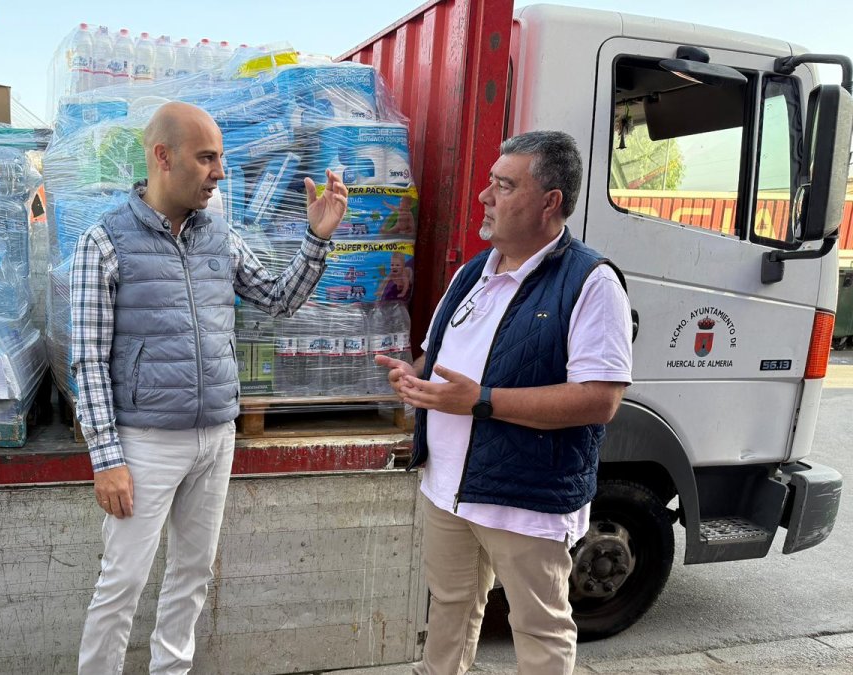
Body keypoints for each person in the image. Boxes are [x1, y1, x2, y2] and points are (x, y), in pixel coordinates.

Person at [72, 101, 347, 673]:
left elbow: (276, 298)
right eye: (206, 158)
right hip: (145, 442)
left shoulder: (218, 235)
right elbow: (89, 360)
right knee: (122, 584)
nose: (219, 171)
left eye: (220, 157)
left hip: (216, 435)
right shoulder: (103, 244)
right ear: (162, 157)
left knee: (192, 575)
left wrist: (316, 239)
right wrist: (107, 459)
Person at [376, 130, 632, 675]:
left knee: (539, 627)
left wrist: (481, 402)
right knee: (449, 607)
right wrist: (413, 379)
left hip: (525, 495)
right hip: (448, 487)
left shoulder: (591, 281)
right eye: (490, 182)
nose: (484, 197)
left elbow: (599, 399)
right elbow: (437, 359)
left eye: (503, 185)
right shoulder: (474, 272)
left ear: (550, 201)